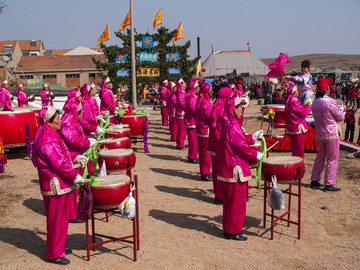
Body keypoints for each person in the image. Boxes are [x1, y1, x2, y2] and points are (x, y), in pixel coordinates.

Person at [31, 106, 86, 265]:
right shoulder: (48, 139)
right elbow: (60, 163)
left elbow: (63, 155)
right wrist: (74, 175)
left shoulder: (49, 134)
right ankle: (55, 253)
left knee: (60, 219)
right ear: (49, 121)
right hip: (55, 185)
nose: (61, 121)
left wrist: (75, 158)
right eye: (57, 118)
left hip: (57, 184)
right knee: (57, 220)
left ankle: (58, 248)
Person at [217, 96, 263, 240]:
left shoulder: (227, 125)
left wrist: (252, 137)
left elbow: (240, 139)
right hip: (235, 167)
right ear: (233, 109)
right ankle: (234, 231)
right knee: (237, 202)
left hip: (229, 166)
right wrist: (255, 154)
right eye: (239, 108)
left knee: (230, 201)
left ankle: (228, 228)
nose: (241, 110)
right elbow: (241, 147)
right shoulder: (232, 126)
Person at [59, 100, 97, 222]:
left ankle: (74, 211)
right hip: (72, 156)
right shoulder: (68, 122)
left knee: (76, 187)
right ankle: (71, 214)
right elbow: (73, 140)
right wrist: (87, 142)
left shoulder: (72, 120)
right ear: (77, 112)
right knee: (73, 188)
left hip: (76, 155)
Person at [310, 78, 345, 192]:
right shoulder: (330, 102)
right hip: (332, 133)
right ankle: (329, 183)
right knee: (332, 158)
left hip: (320, 133)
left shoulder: (314, 102)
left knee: (320, 157)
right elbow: (339, 117)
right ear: (326, 89)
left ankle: (315, 180)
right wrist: (343, 110)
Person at [208, 86, 233, 203]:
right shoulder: (224, 112)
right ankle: (222, 195)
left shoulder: (215, 108)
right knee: (223, 170)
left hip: (214, 144)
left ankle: (218, 194)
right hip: (221, 145)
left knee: (216, 170)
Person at [284, 85, 312, 159]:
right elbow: (302, 112)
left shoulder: (288, 101)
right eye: (297, 91)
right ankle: (298, 164)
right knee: (299, 148)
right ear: (294, 92)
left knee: (294, 147)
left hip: (291, 126)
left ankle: (295, 163)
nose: (298, 93)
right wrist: (309, 107)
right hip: (298, 127)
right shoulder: (295, 102)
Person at [195, 83, 213, 181]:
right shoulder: (206, 103)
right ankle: (205, 173)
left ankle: (203, 171)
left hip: (200, 130)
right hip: (206, 131)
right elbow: (210, 118)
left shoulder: (200, 101)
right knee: (206, 153)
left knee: (202, 152)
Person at [185, 80, 200, 163]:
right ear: (195, 89)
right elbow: (194, 109)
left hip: (191, 121)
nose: (199, 89)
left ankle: (191, 155)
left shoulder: (190, 96)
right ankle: (192, 157)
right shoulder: (192, 97)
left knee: (192, 140)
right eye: (198, 88)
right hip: (192, 121)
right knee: (194, 140)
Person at [175, 78, 187, 149]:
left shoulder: (181, 92)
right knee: (182, 130)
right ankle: (180, 144)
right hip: (181, 113)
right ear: (181, 85)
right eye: (184, 83)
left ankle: (180, 143)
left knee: (180, 130)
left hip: (180, 113)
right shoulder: (181, 93)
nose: (185, 84)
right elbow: (182, 103)